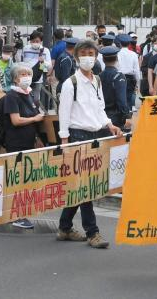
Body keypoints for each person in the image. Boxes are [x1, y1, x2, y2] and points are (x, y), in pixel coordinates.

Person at [56, 40, 123, 249]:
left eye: (91, 53)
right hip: (77, 136)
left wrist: (110, 125)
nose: (88, 57)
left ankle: (65, 227)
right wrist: (65, 142)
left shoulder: (97, 81)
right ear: (76, 57)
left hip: (97, 136)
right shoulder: (70, 83)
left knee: (83, 186)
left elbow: (100, 109)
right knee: (86, 187)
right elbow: (64, 114)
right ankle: (92, 232)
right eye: (84, 53)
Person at [99, 46, 131, 129]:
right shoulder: (118, 76)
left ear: (103, 60)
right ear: (117, 59)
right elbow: (121, 100)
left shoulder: (99, 76)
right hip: (116, 117)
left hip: (101, 115)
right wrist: (126, 116)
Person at [115, 34, 141, 106]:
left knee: (119, 98)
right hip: (130, 78)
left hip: (119, 77)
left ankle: (121, 114)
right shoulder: (133, 54)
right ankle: (128, 112)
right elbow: (136, 70)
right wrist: (137, 82)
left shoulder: (117, 53)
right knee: (128, 98)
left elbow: (115, 67)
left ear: (119, 43)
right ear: (129, 43)